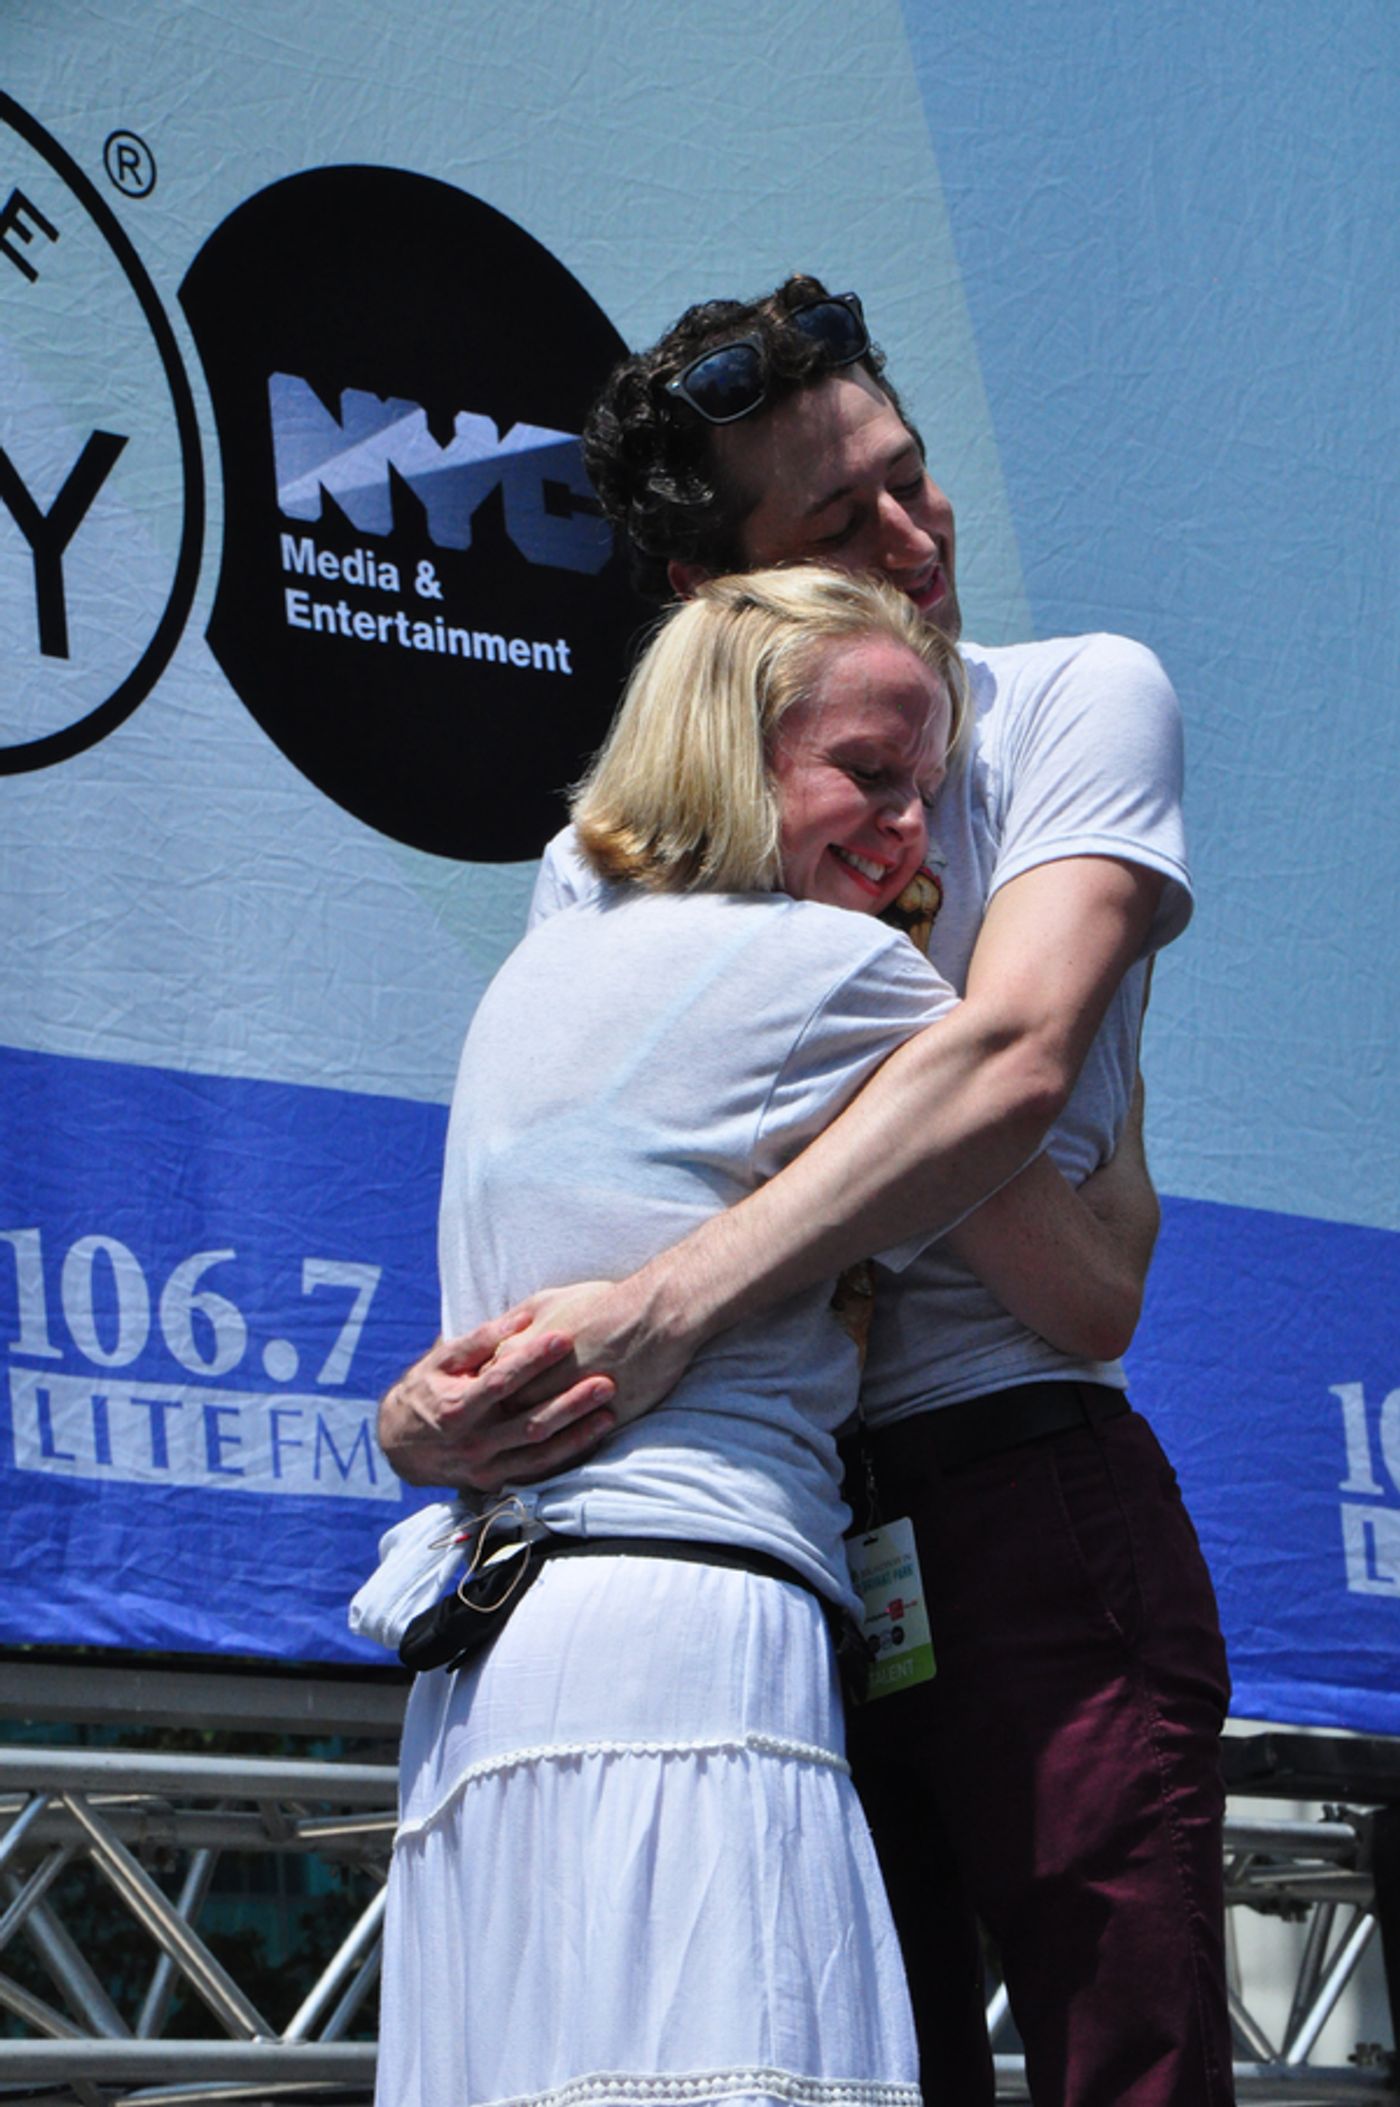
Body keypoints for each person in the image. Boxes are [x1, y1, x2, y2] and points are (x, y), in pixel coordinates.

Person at [379, 279, 1233, 2107]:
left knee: (1127, 2065)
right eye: (841, 523)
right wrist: (418, 1417)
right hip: (766, 1527)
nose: (913, 542)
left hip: (1011, 1468)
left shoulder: (1081, 696)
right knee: (847, 2056)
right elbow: (568, 1204)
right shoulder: (595, 872)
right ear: (720, 599)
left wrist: (670, 1303)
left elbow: (1013, 1081)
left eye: (912, 478)